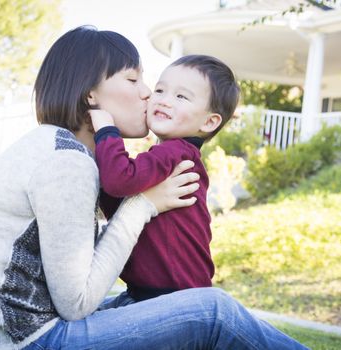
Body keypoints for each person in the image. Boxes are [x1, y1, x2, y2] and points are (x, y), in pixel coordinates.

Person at [0, 25, 309, 350]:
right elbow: (77, 304)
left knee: (140, 305)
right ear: (92, 95)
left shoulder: (56, 149)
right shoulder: (66, 163)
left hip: (22, 332)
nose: (149, 94)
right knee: (213, 310)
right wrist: (145, 204)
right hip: (23, 341)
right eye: (134, 80)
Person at [89, 54, 239, 302]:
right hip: (153, 293)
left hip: (176, 296)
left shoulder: (177, 153)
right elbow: (119, 200)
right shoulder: (166, 157)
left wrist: (106, 131)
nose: (164, 101)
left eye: (181, 96)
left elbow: (119, 182)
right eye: (160, 90)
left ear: (209, 121)